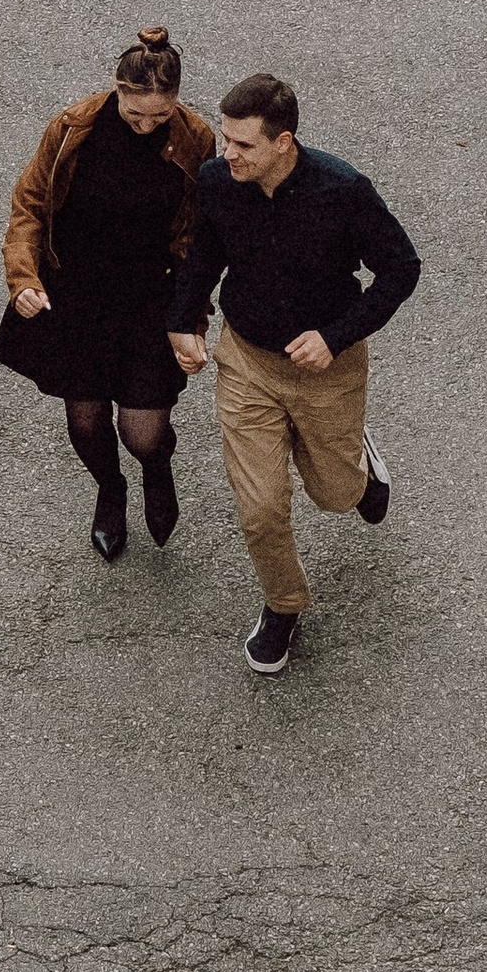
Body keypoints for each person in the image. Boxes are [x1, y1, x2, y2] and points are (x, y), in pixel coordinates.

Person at [167, 70, 420, 672]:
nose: (227, 153)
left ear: (284, 142)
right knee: (259, 508)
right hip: (247, 361)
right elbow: (205, 254)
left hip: (326, 370)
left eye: (243, 144)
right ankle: (283, 605)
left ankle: (361, 459)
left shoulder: (342, 190)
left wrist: (334, 337)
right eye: (226, 139)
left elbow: (401, 269)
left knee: (335, 495)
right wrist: (184, 320)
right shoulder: (217, 181)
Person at [0, 28, 217, 561]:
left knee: (143, 432)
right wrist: (24, 278)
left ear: (176, 102)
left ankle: (155, 470)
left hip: (151, 298)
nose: (145, 126)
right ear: (116, 89)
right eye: (134, 113)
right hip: (78, 295)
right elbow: (30, 206)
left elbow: (202, 237)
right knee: (86, 419)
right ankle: (110, 490)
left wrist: (191, 317)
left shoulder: (196, 138)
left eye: (158, 117)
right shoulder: (73, 128)